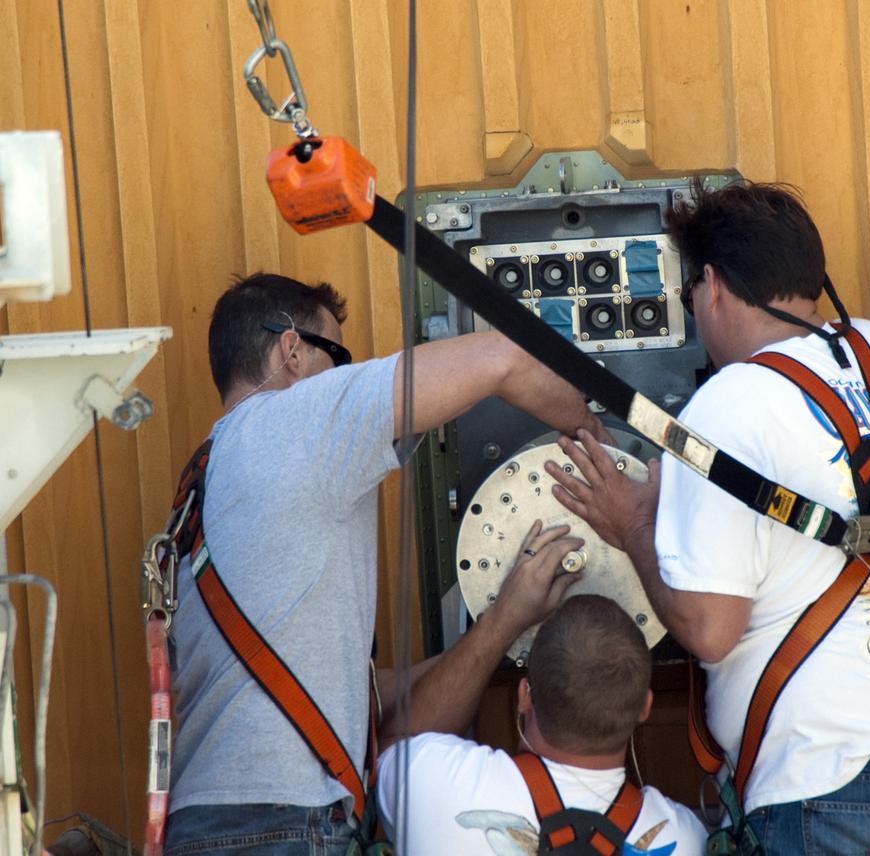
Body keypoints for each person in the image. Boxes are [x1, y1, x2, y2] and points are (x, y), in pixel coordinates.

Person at [545, 183, 870, 854]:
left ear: (710, 284)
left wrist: (631, 529)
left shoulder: (726, 403)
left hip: (832, 780)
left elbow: (710, 630)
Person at [163, 272, 605, 856]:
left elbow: (371, 709)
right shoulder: (295, 423)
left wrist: (505, 620)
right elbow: (505, 356)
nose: (346, 376)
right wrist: (597, 442)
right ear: (290, 350)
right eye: (338, 355)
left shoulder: (203, 485)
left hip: (207, 828)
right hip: (285, 827)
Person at [376, 576, 708, 856]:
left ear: (525, 696)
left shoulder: (437, 781)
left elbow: (393, 737)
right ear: (645, 707)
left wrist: (504, 621)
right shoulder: (686, 840)